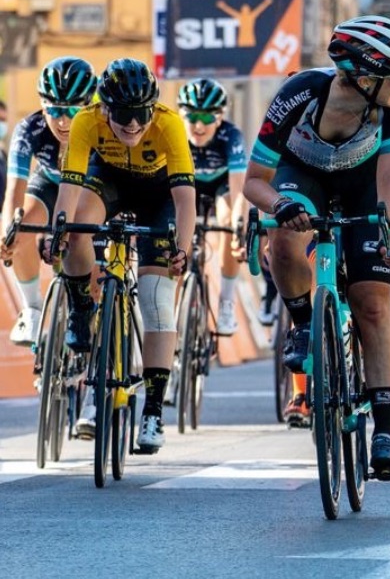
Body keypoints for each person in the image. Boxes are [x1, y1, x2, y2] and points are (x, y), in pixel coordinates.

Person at [241, 14, 390, 481]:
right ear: (360, 75)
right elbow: (254, 183)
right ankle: (302, 324)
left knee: (374, 306)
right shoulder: (299, 94)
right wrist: (278, 205)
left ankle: (383, 432)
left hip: (362, 183)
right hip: (301, 177)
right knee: (284, 234)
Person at [46, 58, 196, 452]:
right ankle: (82, 309)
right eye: (124, 116)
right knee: (78, 231)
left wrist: (182, 248)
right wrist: (58, 231)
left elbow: (184, 200)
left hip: (158, 194)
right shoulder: (85, 120)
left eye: (141, 115)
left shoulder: (169, 123)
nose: (133, 125)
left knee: (155, 298)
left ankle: (153, 412)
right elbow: (69, 189)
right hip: (108, 179)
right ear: (105, 109)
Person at [3, 57, 98, 346]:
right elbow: (14, 190)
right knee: (17, 231)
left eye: (71, 110)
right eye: (54, 110)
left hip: (90, 187)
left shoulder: (102, 126)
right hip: (49, 184)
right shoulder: (29, 129)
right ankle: (31, 309)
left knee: (91, 257)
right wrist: (9, 232)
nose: (62, 120)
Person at [176, 78, 247, 336]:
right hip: (187, 187)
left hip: (221, 187)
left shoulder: (231, 136)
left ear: (220, 118)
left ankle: (226, 302)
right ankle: (169, 318)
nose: (198, 125)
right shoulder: (174, 134)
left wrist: (238, 227)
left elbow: (239, 191)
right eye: (192, 116)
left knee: (230, 216)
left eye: (207, 118)